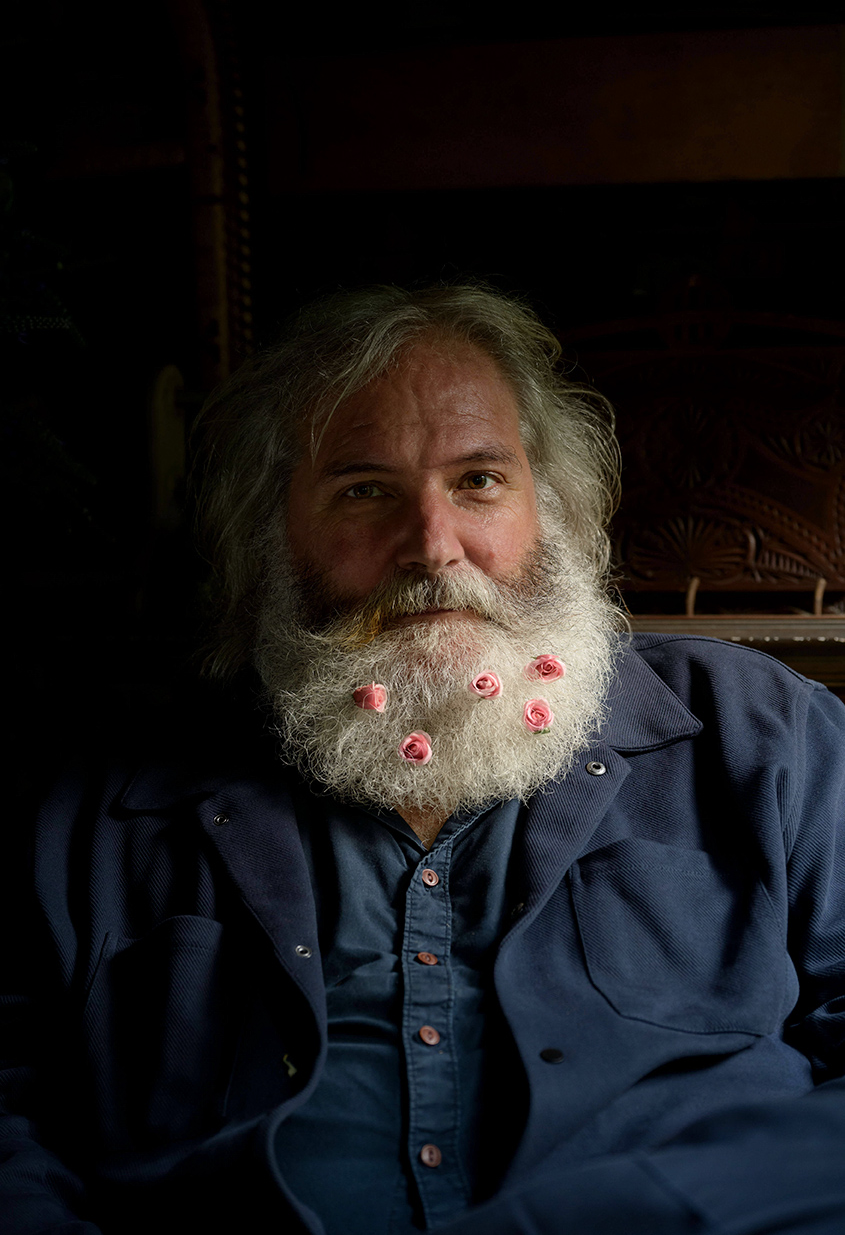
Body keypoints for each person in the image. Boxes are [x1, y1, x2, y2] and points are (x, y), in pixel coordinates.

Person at [1, 283, 844, 1235]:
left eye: (478, 480)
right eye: (364, 490)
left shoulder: (762, 735)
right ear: (271, 532)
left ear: (552, 510)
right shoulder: (101, 803)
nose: (432, 546)